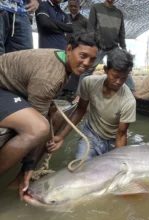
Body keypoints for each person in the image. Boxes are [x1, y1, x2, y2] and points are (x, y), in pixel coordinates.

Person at [0, 31, 98, 199]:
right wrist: (29, 166)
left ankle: (19, 178)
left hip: (9, 89)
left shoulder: (59, 59)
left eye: (92, 59)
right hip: (3, 89)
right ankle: (20, 176)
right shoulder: (50, 77)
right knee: (38, 128)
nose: (86, 63)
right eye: (83, 56)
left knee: (53, 115)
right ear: (69, 49)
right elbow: (38, 126)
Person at [48, 49, 136, 160]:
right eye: (115, 76)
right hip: (91, 134)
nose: (119, 82)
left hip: (113, 140)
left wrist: (118, 161)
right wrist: (61, 136)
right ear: (106, 70)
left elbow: (121, 134)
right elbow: (80, 110)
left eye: (124, 78)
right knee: (81, 164)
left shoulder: (129, 101)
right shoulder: (89, 83)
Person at [81, 0, 136, 96]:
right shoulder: (96, 7)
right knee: (87, 69)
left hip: (114, 47)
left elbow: (121, 33)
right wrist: (91, 45)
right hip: (98, 46)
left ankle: (132, 92)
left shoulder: (119, 13)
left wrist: (123, 48)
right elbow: (90, 28)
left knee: (124, 68)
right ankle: (80, 94)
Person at [61, 0, 88, 103]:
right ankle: (63, 89)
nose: (73, 8)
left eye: (75, 6)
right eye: (71, 6)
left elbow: (89, 33)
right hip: (66, 47)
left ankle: (72, 92)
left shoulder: (84, 20)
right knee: (65, 67)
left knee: (76, 69)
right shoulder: (65, 18)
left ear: (79, 8)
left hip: (78, 48)